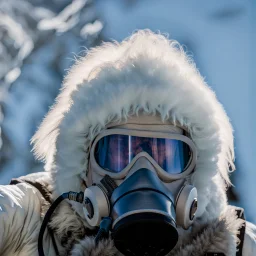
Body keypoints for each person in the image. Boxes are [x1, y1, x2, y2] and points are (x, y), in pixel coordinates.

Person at [0, 30, 255, 256]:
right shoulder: (33, 220)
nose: (143, 173)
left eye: (166, 157)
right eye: (119, 154)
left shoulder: (239, 243)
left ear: (194, 176)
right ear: (83, 173)